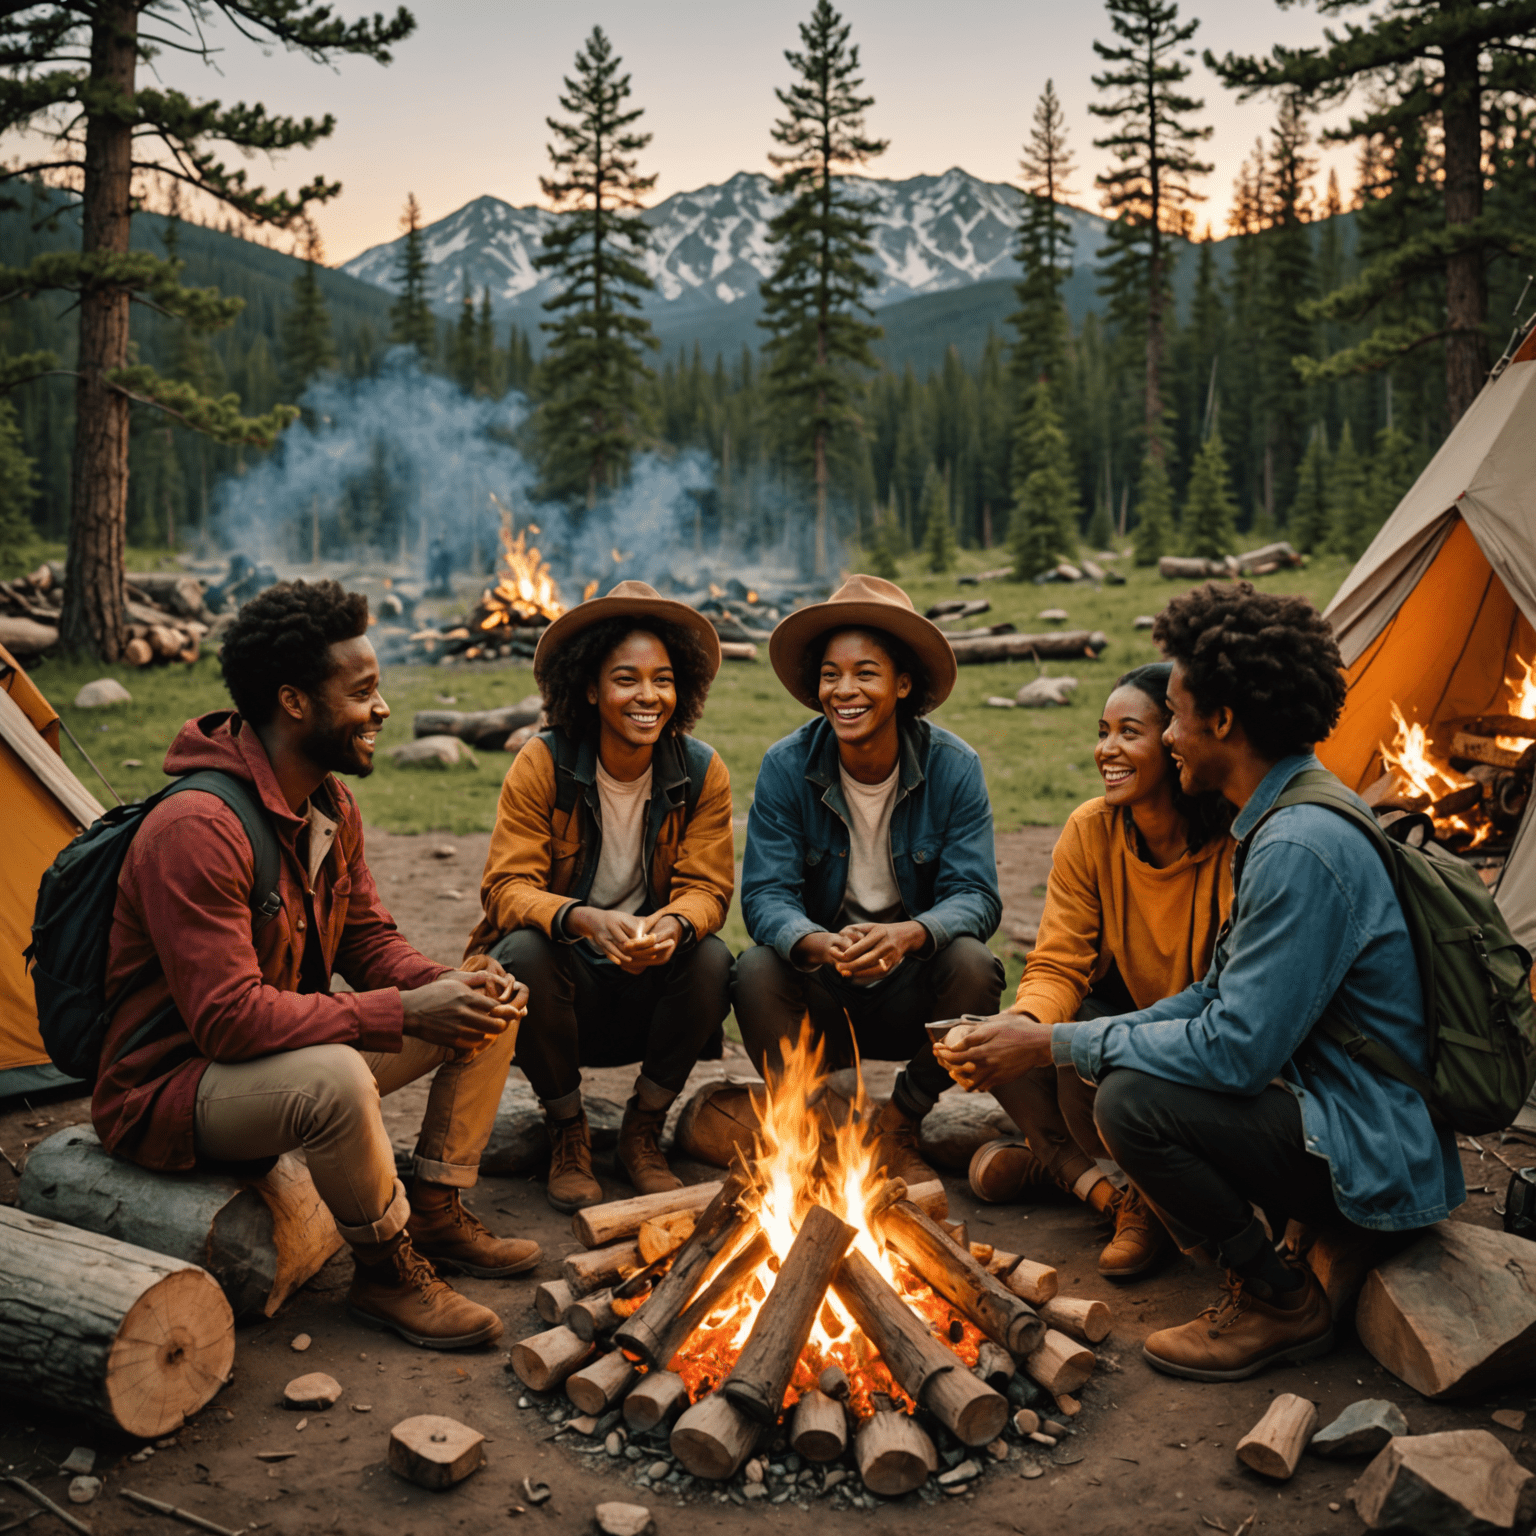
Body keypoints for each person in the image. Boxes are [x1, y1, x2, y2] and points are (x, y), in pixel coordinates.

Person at [938, 583, 1465, 1381]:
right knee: (1122, 1064)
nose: (1172, 736)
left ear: (1221, 721)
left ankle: (1277, 1299)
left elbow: (1236, 1050)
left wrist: (1055, 1043)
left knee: (1134, 1101)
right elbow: (1213, 993)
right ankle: (1277, 1243)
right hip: (1340, 1106)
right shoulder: (1283, 817)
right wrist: (1046, 1038)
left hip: (1372, 1142)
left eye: (1174, 717)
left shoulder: (1297, 845)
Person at [94, 580, 539, 1352]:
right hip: (173, 1088)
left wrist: (444, 985)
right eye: (363, 692)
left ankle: (433, 1209)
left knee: (481, 993)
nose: (383, 708)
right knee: (337, 1078)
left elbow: (367, 941)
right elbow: (229, 1022)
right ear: (295, 703)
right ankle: (386, 1272)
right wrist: (402, 1013)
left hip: (272, 1064)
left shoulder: (328, 803)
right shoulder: (197, 829)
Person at [958, 662, 1236, 1280]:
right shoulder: (1091, 829)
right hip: (1110, 1033)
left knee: (1096, 1061)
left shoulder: (1235, 847)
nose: (1106, 749)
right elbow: (1058, 960)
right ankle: (1112, 1194)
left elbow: (1223, 1012)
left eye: (1128, 733)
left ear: (1175, 744)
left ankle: (1066, 1169)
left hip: (1195, 1054)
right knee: (1007, 1038)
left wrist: (1058, 1040)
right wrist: (1023, 1028)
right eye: (1102, 730)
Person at [467, 581, 735, 1213]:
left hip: (649, 979)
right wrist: (581, 920)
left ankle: (644, 1130)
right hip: (567, 982)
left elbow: (709, 888)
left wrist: (672, 925)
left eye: (663, 679)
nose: (648, 696)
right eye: (627, 679)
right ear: (590, 688)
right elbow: (505, 889)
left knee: (713, 957)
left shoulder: (701, 771)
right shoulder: (543, 762)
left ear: (682, 688)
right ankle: (567, 1131)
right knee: (522, 952)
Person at [734, 573, 1004, 1185]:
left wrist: (909, 935)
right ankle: (812, 1131)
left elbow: (978, 896)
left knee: (973, 966)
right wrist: (815, 942)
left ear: (902, 685)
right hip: (826, 984)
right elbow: (764, 896)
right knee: (754, 969)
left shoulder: (954, 767)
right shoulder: (785, 766)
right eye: (831, 674)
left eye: (866, 673)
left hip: (913, 987)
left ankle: (902, 1121)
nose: (844, 690)